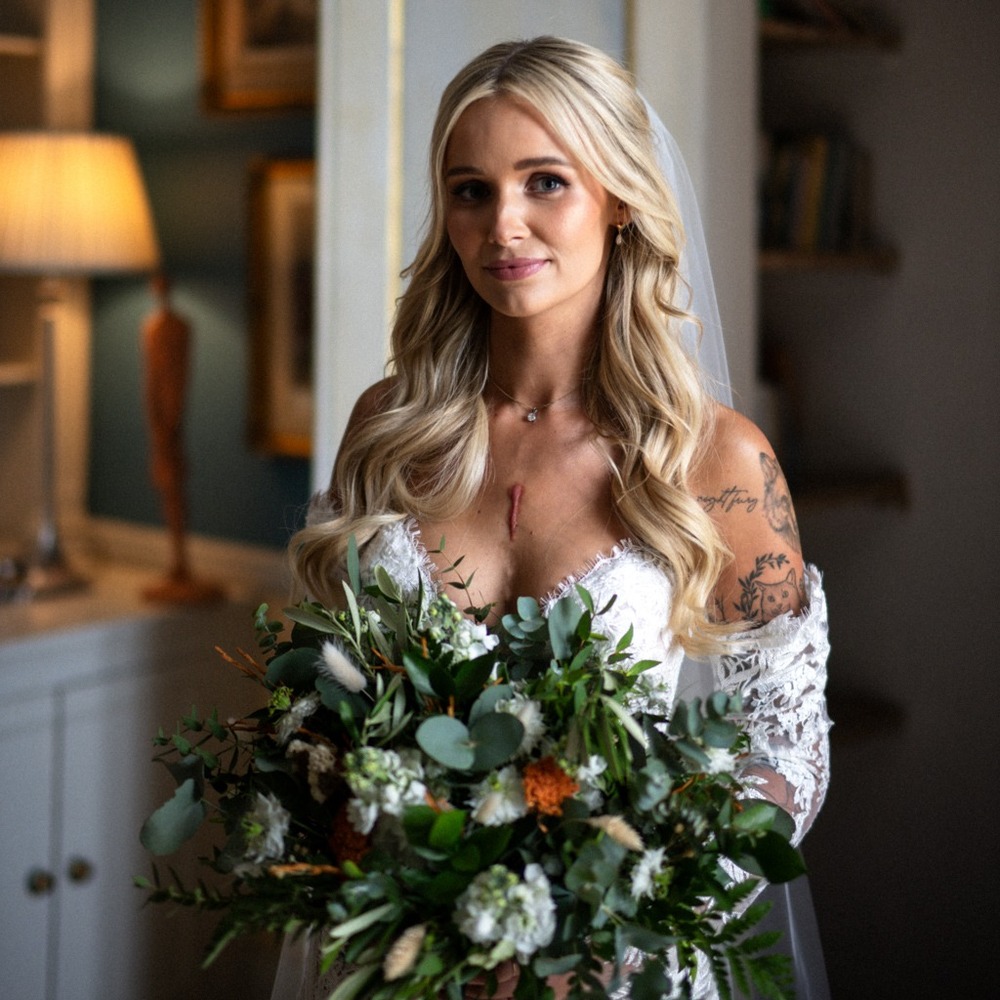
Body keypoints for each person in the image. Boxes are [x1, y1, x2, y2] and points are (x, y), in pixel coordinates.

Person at [278, 36, 831, 1000]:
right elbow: (326, 706)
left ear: (618, 201)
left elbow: (782, 749)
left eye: (545, 182)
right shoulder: (385, 429)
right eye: (470, 189)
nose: (505, 225)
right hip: (406, 959)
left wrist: (618, 921)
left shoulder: (716, 461)